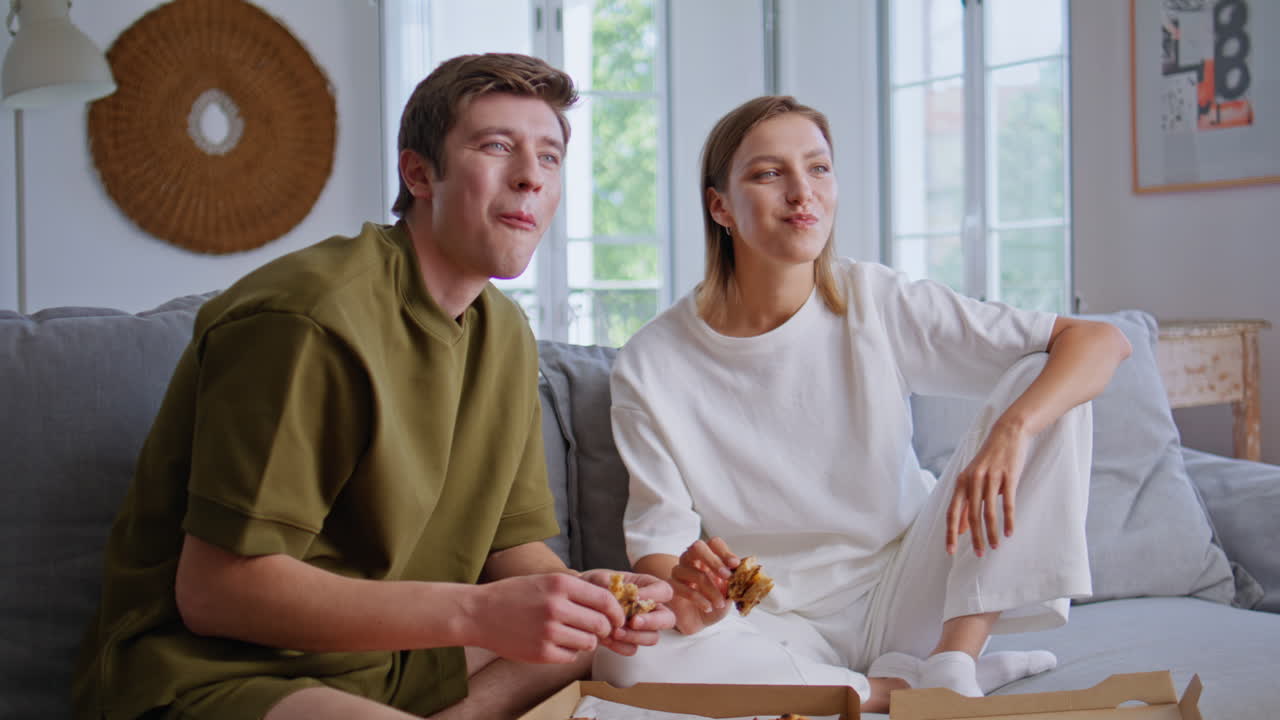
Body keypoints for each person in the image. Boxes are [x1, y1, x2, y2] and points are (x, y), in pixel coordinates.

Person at [72, 53, 673, 720]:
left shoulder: (505, 334)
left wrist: (589, 600)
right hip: (223, 672)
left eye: (550, 157)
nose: (532, 176)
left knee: (594, 648)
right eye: (497, 146)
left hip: (389, 662)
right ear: (419, 174)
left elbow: (510, 548)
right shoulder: (308, 318)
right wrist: (475, 612)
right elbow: (215, 593)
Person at [592, 96, 1132, 714]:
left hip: (913, 589)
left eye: (819, 168)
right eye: (769, 173)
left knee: (1048, 379)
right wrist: (692, 593)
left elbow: (1100, 341)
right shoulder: (651, 361)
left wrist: (1012, 431)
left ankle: (955, 659)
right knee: (622, 655)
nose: (803, 192)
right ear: (721, 207)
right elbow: (659, 545)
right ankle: (893, 690)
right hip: (771, 619)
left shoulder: (874, 299)